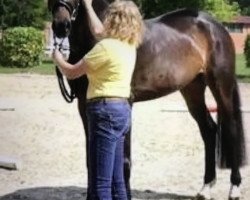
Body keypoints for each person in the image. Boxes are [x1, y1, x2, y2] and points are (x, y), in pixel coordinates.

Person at [52, 0, 144, 199]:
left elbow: (72, 72)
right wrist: (88, 6)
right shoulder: (128, 45)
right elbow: (98, 30)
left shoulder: (104, 49)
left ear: (112, 19)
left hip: (104, 111)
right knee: (118, 179)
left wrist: (57, 58)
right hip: (122, 111)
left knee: (100, 182)